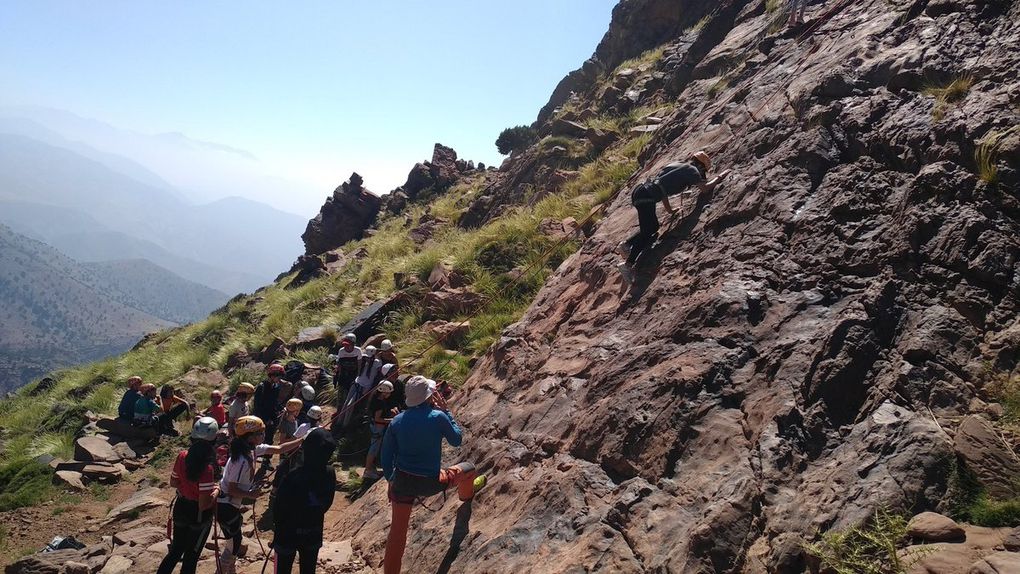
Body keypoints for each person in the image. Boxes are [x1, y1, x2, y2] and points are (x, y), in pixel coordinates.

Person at [381, 376, 482, 574]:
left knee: (397, 534)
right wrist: (447, 412)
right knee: (468, 468)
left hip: (402, 482)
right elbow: (456, 440)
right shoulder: (438, 416)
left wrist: (392, 480)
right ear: (429, 396)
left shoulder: (397, 421)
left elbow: (386, 459)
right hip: (431, 482)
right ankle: (466, 497)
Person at [616, 151, 730, 282]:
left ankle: (626, 245)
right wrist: (720, 177)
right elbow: (704, 188)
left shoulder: (677, 164)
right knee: (648, 231)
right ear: (701, 166)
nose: (701, 175)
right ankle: (628, 264)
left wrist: (670, 211)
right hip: (647, 197)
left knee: (652, 228)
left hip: (641, 191)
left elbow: (662, 188)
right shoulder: (692, 170)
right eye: (702, 171)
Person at [216, 416, 304, 574]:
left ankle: (229, 570)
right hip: (226, 505)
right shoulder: (241, 460)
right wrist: (251, 494)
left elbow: (278, 449)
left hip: (229, 505)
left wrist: (301, 440)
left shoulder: (251, 450)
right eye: (260, 433)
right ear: (250, 437)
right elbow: (231, 489)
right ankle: (223, 571)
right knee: (234, 543)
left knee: (234, 542)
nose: (264, 435)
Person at [156, 417, 220, 574]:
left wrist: (187, 488)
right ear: (214, 440)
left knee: (176, 551)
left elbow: (173, 482)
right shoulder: (207, 469)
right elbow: (204, 504)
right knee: (191, 557)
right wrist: (217, 490)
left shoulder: (182, 456)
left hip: (181, 507)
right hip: (198, 516)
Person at [272, 428, 337, 574]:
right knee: (308, 569)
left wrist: (278, 525)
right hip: (313, 529)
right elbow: (327, 502)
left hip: (287, 531)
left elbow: (278, 506)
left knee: (283, 569)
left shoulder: (292, 475)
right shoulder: (329, 473)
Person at [364, 381, 398, 479]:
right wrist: (392, 420)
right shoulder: (379, 403)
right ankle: (368, 470)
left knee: (374, 448)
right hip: (377, 427)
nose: (389, 394)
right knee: (374, 449)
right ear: (383, 392)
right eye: (388, 393)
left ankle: (370, 468)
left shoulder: (376, 399)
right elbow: (377, 418)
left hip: (374, 426)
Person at [341, 345, 381, 427]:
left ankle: (344, 425)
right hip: (356, 383)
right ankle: (339, 422)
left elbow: (378, 376)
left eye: (369, 357)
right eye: (366, 357)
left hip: (365, 387)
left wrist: (371, 389)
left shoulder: (377, 363)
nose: (367, 359)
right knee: (346, 404)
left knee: (350, 405)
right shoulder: (363, 361)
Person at [254, 364, 285, 445]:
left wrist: (281, 408)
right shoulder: (262, 387)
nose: (280, 379)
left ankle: (267, 457)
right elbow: (257, 406)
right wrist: (265, 419)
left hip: (272, 417)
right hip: (262, 418)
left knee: (270, 439)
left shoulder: (276, 387)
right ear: (272, 375)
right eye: (279, 376)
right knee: (261, 439)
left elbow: (274, 401)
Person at [330, 333, 362, 402]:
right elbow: (339, 363)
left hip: (353, 374)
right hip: (343, 374)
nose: (345, 347)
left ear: (353, 344)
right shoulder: (341, 351)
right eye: (344, 345)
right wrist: (338, 374)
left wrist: (358, 375)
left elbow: (359, 363)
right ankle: (339, 407)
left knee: (349, 392)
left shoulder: (358, 351)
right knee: (341, 392)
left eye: (348, 345)